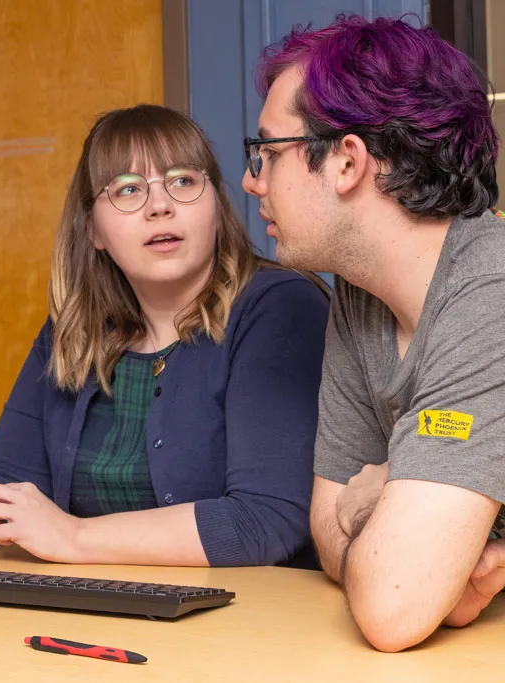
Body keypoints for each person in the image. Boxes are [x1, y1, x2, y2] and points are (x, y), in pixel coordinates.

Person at [0, 104, 329, 569]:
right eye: (127, 190)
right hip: (105, 618)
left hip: (244, 633)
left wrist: (71, 536)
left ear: (216, 204)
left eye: (184, 181)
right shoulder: (77, 332)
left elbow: (267, 519)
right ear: (92, 230)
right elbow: (3, 484)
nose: (160, 205)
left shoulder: (277, 307)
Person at [243, 14, 505, 652]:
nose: (252, 181)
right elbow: (328, 530)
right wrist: (380, 517)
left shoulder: (491, 291)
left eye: (267, 154)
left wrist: (378, 507)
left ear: (346, 162)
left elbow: (392, 607)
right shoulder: (362, 295)